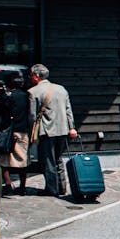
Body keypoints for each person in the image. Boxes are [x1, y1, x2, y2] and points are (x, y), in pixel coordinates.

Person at [27, 64, 77, 197]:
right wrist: (71, 127)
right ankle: (62, 187)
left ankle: (51, 189)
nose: (30, 78)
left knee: (48, 160)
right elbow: (68, 110)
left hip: (46, 130)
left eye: (31, 75)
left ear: (36, 76)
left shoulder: (33, 92)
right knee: (58, 159)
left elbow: (32, 116)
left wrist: (31, 132)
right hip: (63, 129)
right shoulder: (61, 89)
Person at [0, 72, 30, 196]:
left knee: (3, 159)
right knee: (22, 159)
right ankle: (22, 186)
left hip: (9, 131)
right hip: (23, 130)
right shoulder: (27, 96)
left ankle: (8, 184)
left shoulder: (7, 97)